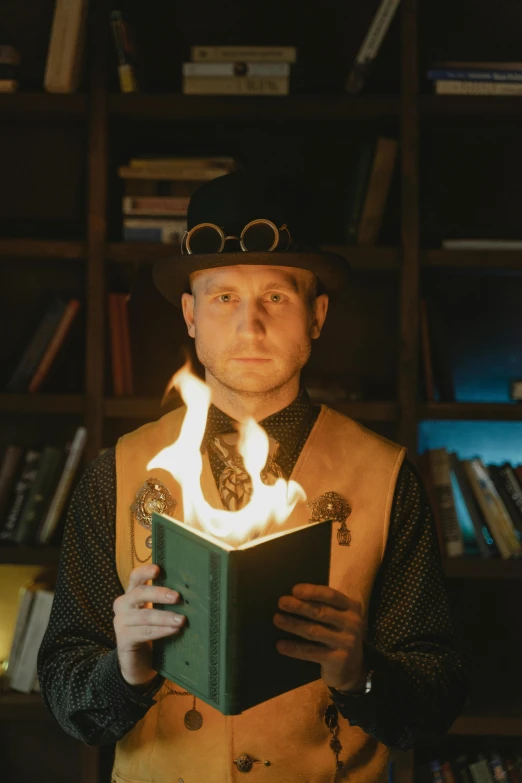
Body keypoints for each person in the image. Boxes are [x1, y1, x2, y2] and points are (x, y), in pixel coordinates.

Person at [38, 171, 468, 783]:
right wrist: (124, 670)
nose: (250, 326)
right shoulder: (117, 474)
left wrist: (361, 673)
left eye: (276, 297)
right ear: (189, 314)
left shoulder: (387, 476)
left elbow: (439, 692)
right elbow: (64, 688)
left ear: (316, 315)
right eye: (223, 298)